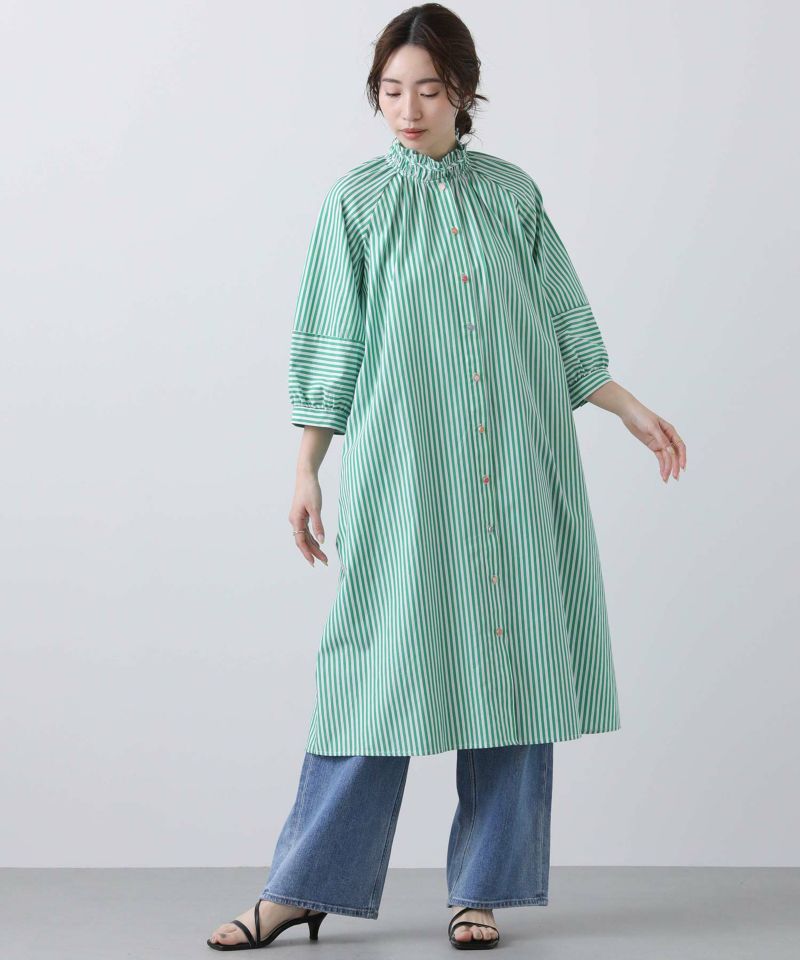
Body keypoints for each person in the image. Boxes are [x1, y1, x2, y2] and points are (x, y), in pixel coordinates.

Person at [207, 3, 686, 952]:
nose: (408, 109)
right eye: (391, 91)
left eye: (428, 89)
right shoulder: (356, 205)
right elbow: (329, 344)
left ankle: (484, 891)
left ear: (463, 93)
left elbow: (564, 321)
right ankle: (303, 886)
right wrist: (306, 470)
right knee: (376, 672)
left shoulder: (513, 195)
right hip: (408, 476)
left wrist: (628, 408)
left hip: (517, 469)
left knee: (513, 663)